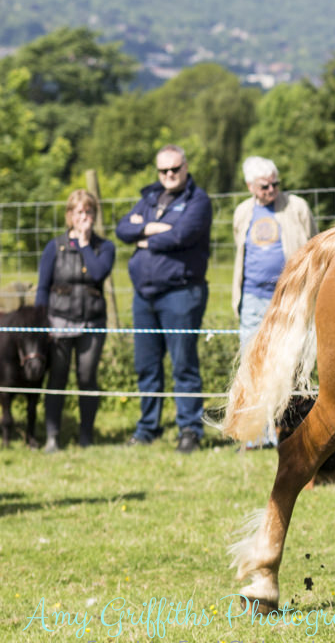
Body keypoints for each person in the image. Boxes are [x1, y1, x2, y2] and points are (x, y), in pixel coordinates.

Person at [115, 144, 212, 453]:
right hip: (144, 296)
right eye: (163, 170)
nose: (169, 175)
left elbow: (181, 235)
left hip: (181, 293)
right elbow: (121, 229)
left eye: (175, 169)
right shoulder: (148, 199)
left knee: (183, 364)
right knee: (147, 365)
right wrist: (152, 227)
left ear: (185, 168)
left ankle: (189, 429)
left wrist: (143, 235)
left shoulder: (198, 200)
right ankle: (147, 428)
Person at [34, 190, 115, 451]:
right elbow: (43, 288)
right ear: (70, 215)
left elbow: (97, 274)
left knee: (87, 378)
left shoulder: (105, 247)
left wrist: (83, 244)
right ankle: (52, 437)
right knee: (57, 378)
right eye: (79, 212)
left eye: (89, 211)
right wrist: (41, 324)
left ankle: (86, 437)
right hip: (59, 322)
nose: (84, 217)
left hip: (92, 323)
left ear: (95, 214)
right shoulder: (54, 247)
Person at [231, 156, 317, 347]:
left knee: (291, 356)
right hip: (253, 296)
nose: (271, 190)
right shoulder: (242, 211)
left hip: (291, 296)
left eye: (275, 184)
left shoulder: (297, 207)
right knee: (252, 356)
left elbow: (314, 244)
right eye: (264, 187)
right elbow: (239, 246)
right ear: (250, 186)